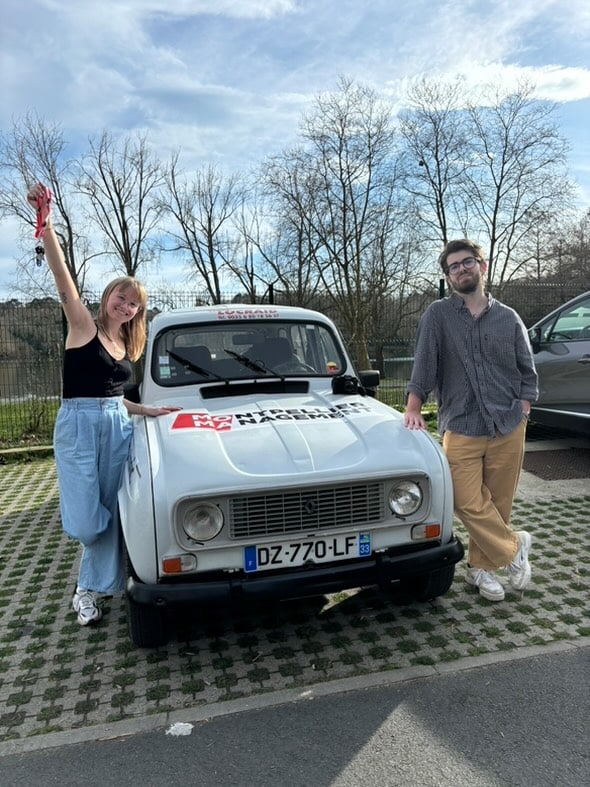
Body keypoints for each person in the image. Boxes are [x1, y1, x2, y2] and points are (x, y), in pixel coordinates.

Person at [27, 182, 181, 626]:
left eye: (135, 304)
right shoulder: (83, 327)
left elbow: (116, 399)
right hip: (78, 426)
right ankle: (95, 580)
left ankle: (87, 590)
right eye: (121, 297)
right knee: (87, 521)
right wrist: (48, 227)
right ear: (108, 296)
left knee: (115, 512)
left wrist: (148, 411)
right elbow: (64, 284)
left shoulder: (124, 345)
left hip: (117, 424)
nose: (127, 306)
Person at [404, 239, 538, 602]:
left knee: (497, 502)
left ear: (483, 265)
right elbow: (424, 364)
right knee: (465, 500)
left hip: (507, 423)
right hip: (461, 424)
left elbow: (527, 370)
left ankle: (482, 569)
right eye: (453, 267)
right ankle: (513, 548)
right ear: (448, 277)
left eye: (467, 262)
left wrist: (523, 407)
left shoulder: (508, 318)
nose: (461, 270)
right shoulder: (438, 315)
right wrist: (413, 407)